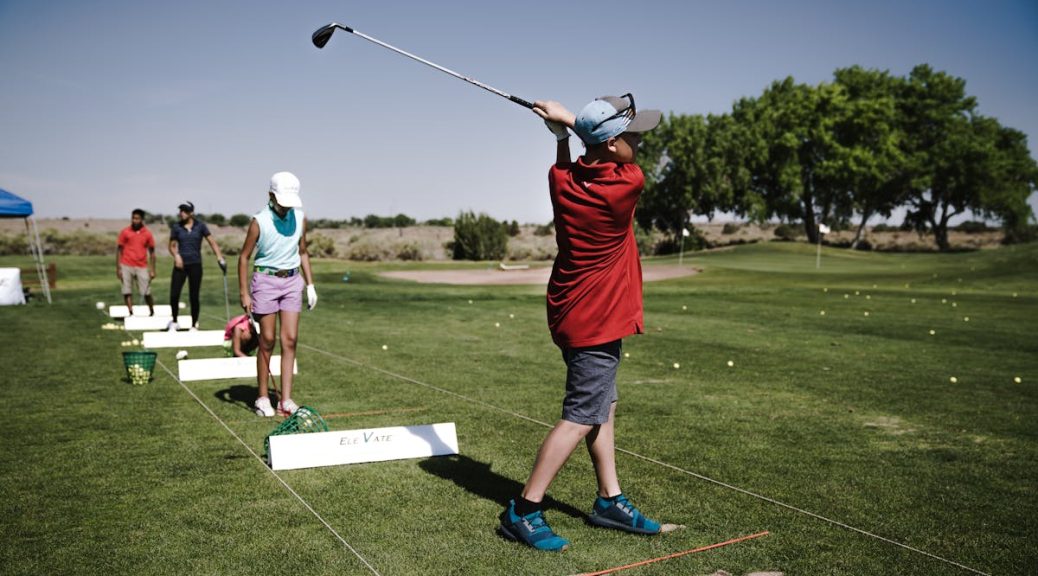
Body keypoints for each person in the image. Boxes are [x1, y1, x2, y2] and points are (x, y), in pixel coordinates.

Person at [498, 94, 664, 552]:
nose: (636, 143)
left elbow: (568, 165)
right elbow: (601, 152)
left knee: (602, 407)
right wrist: (567, 121)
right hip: (597, 319)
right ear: (610, 145)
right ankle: (524, 509)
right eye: (630, 137)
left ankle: (609, 499)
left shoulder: (562, 179)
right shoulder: (626, 185)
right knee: (579, 416)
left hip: (574, 312)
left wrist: (560, 139)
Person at [237, 172, 317, 417]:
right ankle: (262, 397)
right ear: (271, 195)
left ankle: (286, 400)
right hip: (266, 281)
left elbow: (302, 251)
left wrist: (311, 284)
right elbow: (243, 257)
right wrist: (244, 293)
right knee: (267, 340)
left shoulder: (300, 218)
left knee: (290, 339)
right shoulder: (259, 221)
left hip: (293, 281)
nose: (286, 207)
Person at [167, 201, 226, 331]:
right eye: (180, 210)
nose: (181, 213)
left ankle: (194, 324)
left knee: (194, 296)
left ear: (191, 213)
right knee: (174, 295)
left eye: (184, 211)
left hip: (195, 265)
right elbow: (171, 246)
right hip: (180, 265)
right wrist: (176, 256)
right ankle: (175, 321)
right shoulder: (176, 227)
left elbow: (212, 242)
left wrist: (219, 257)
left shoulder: (200, 226)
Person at [116, 208, 157, 316]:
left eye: (137, 218)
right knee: (127, 291)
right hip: (126, 264)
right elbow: (119, 250)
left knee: (146, 292)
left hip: (142, 265)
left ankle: (152, 311)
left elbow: (152, 253)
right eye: (133, 218)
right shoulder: (125, 232)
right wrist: (118, 268)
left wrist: (152, 270)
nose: (135, 220)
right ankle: (130, 312)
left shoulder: (147, 234)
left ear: (142, 219)